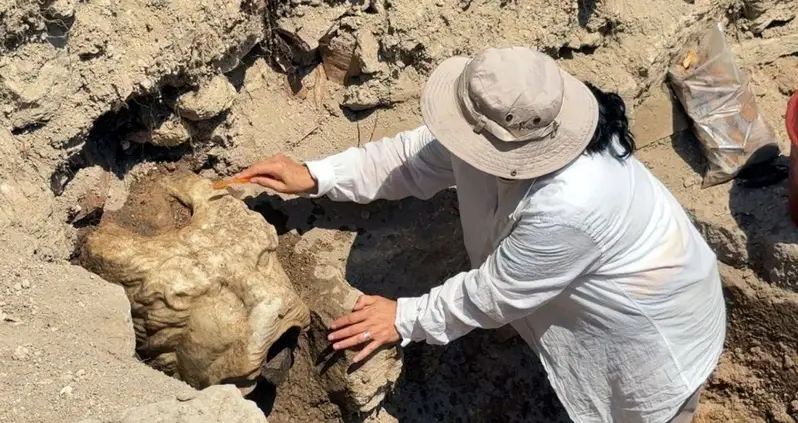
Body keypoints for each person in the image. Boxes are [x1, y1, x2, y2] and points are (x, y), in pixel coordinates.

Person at [237, 46, 726, 423]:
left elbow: (495, 294)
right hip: (607, 298)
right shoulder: (500, 118)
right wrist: (315, 174)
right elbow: (410, 159)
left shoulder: (574, 201)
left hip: (651, 335)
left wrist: (405, 317)